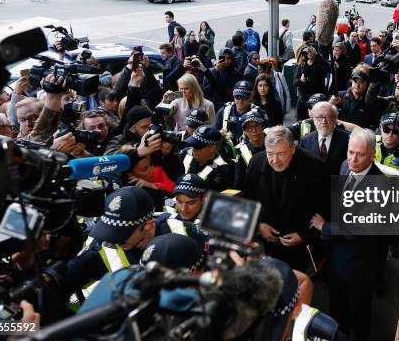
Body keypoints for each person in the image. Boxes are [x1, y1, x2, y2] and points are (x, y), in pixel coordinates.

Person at [309, 127, 388, 341]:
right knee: (337, 306)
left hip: (360, 263)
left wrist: (324, 227)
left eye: (360, 154)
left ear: (372, 154)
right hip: (337, 257)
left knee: (359, 312)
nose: (353, 159)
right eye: (350, 152)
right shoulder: (344, 166)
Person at [63, 187, 201, 300]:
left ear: (148, 226)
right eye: (109, 230)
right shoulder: (97, 251)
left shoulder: (183, 230)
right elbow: (59, 283)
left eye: (121, 234)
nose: (112, 239)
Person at [243, 126, 329, 271]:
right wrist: (258, 225)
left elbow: (327, 209)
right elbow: (248, 200)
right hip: (266, 245)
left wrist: (304, 236)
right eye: (270, 153)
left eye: (281, 154)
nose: (275, 160)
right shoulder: (256, 162)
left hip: (301, 249)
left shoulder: (316, 168)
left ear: (293, 148)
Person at [300, 102, 350, 176]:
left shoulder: (347, 139)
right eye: (319, 117)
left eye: (328, 117)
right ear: (313, 119)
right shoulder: (306, 140)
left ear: (335, 119)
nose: (324, 121)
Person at [179, 125, 232, 191]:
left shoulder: (221, 170)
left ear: (212, 148)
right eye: (192, 144)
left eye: (197, 146)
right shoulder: (185, 153)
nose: (192, 149)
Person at [233, 109, 268, 190]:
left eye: (256, 125)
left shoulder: (274, 142)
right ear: (244, 131)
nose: (254, 130)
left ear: (263, 127)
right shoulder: (242, 151)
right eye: (248, 127)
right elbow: (239, 182)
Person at [294, 44, 329, 121]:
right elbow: (295, 82)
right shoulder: (301, 65)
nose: (309, 53)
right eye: (308, 51)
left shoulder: (320, 64)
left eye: (311, 51)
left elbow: (328, 67)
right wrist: (301, 80)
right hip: (304, 98)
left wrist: (317, 54)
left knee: (316, 121)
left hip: (317, 98)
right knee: (301, 122)